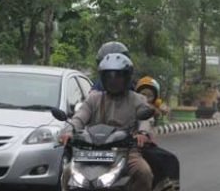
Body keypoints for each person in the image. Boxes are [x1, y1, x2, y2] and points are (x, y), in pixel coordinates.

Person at [60, 52, 153, 190]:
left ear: (127, 77)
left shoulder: (137, 99)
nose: (113, 80)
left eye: (118, 76)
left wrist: (143, 133)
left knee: (143, 172)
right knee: (68, 172)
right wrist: (69, 131)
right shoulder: (94, 98)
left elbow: (146, 119)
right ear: (103, 78)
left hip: (125, 151)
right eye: (109, 76)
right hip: (93, 151)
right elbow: (80, 117)